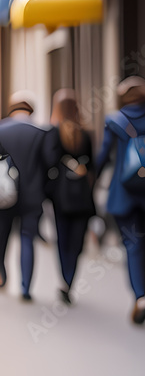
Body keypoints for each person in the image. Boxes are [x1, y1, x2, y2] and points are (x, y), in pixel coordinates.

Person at [94, 77, 145, 324]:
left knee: (133, 246)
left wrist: (90, 179)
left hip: (124, 193)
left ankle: (139, 297)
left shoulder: (114, 121)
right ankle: (144, 294)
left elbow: (103, 156)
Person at [0, 92, 59, 301]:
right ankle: (25, 288)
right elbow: (51, 164)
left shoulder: (1, 129)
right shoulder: (41, 132)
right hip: (32, 196)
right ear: (30, 110)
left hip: (4, 196)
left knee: (2, 237)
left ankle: (1, 275)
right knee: (27, 238)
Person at [47, 89, 97, 305]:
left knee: (62, 239)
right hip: (82, 197)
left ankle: (65, 280)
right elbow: (94, 165)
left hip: (60, 197)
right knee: (77, 241)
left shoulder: (53, 133)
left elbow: (48, 163)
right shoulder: (86, 134)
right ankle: (70, 280)